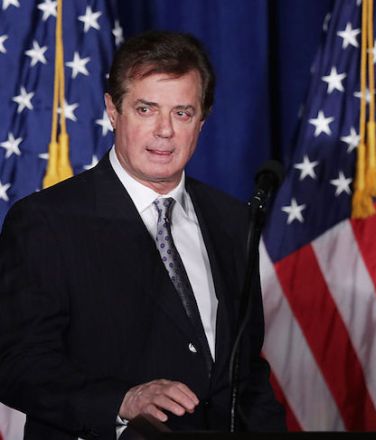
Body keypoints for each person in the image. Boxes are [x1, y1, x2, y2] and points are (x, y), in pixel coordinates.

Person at [0, 30, 285, 439]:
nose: (164, 130)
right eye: (146, 109)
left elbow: (246, 372)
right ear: (113, 110)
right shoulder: (46, 222)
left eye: (182, 113)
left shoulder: (232, 221)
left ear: (202, 121)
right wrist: (121, 400)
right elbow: (17, 363)